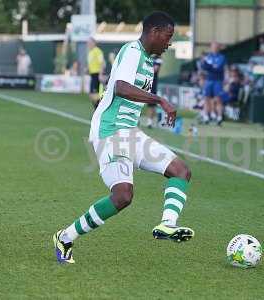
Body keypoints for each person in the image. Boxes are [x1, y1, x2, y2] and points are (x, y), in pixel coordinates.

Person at [53, 12, 194, 264]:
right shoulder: (132, 51)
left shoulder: (148, 62)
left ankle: (166, 225)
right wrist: (160, 100)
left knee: (180, 170)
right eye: (168, 37)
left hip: (130, 132)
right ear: (155, 32)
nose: (169, 43)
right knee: (122, 196)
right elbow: (120, 87)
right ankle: (65, 237)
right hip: (111, 131)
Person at [201, 42, 226, 124]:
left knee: (218, 99)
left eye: (216, 47)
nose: (214, 48)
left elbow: (218, 68)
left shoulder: (221, 57)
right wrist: (211, 66)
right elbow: (204, 66)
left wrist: (209, 66)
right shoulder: (208, 56)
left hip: (218, 80)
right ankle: (206, 116)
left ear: (218, 48)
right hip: (208, 80)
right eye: (213, 47)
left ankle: (219, 117)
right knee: (206, 98)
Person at [87, 38, 105, 108]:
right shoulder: (90, 52)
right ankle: (98, 109)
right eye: (88, 43)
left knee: (94, 94)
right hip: (92, 74)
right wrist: (88, 69)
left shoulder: (97, 51)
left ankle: (98, 109)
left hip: (97, 74)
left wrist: (100, 74)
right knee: (92, 95)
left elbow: (102, 63)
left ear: (94, 43)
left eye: (90, 42)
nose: (88, 44)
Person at [146, 56, 162, 128]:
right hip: (145, 84)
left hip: (152, 86)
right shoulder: (151, 58)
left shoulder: (158, 60)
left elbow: (155, 70)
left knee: (152, 106)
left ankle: (150, 122)